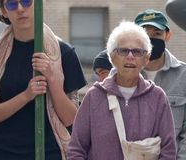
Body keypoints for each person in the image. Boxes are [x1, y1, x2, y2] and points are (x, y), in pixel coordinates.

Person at [0, 0, 87, 159]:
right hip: (0, 153)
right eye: (11, 4)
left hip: (49, 153)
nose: (20, 9)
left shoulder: (64, 53)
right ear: (4, 12)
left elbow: (71, 119)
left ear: (38, 4)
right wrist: (26, 95)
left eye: (26, 1)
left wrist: (52, 79)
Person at [67, 22, 177, 159]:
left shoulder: (157, 97)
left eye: (137, 51)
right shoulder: (94, 96)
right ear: (112, 57)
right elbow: (76, 149)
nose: (130, 56)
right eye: (123, 51)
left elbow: (168, 151)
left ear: (146, 58)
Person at [133, 9, 186, 159]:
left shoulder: (184, 76)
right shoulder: (119, 75)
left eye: (157, 33)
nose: (150, 39)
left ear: (168, 35)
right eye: (144, 35)